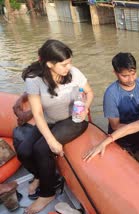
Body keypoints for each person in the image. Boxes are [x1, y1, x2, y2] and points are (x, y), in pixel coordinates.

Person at [17, 39, 94, 214]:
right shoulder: (34, 79)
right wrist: (51, 140)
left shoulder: (73, 73)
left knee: (41, 149)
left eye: (69, 62)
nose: (69, 67)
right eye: (64, 64)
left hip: (73, 120)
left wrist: (86, 107)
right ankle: (40, 175)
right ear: (50, 64)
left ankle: (47, 193)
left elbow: (89, 92)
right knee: (24, 151)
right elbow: (37, 113)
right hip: (49, 120)